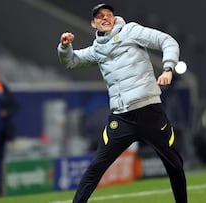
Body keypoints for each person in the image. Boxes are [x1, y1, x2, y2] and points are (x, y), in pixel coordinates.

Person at [57, 3, 187, 203]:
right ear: (94, 24)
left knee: (175, 165)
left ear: (114, 17)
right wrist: (65, 47)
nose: (105, 18)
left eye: (108, 14)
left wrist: (168, 68)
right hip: (122, 118)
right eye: (100, 16)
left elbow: (167, 41)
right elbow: (71, 61)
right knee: (96, 167)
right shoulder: (97, 49)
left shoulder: (130, 31)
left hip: (150, 112)